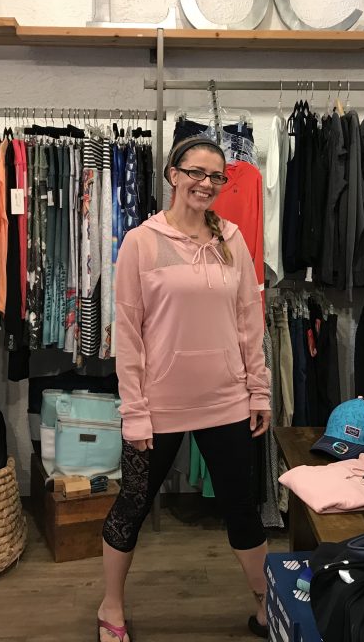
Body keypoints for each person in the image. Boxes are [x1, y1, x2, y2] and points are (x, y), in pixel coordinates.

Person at [97, 136, 273, 641]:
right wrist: (134, 411)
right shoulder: (141, 242)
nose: (206, 183)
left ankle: (266, 609)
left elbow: (248, 321)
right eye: (196, 172)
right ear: (172, 174)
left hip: (227, 401)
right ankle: (111, 607)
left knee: (242, 507)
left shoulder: (232, 240)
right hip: (159, 405)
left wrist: (257, 391)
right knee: (132, 504)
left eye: (216, 176)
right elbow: (128, 333)